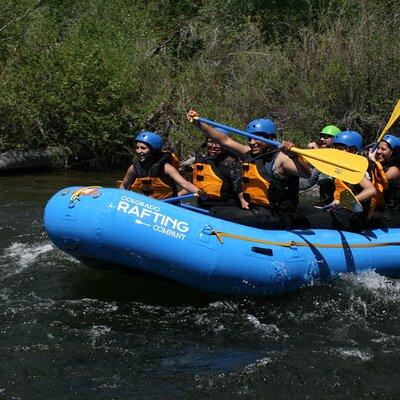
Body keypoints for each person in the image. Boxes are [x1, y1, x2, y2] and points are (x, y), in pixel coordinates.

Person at [186, 109, 311, 229]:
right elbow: (224, 140)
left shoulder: (281, 158)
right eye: (250, 138)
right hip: (257, 210)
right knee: (215, 210)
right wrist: (199, 122)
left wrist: (294, 155)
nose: (252, 142)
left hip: (278, 214)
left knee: (217, 214)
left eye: (257, 138)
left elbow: (305, 174)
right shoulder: (248, 153)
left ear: (269, 138)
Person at [119, 131, 203, 200]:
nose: (138, 151)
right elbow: (124, 185)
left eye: (143, 148)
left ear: (153, 151)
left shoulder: (166, 168)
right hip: (145, 205)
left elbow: (185, 184)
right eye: (137, 148)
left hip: (166, 204)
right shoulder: (133, 168)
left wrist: (201, 193)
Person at [322, 130, 376, 231]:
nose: (336, 151)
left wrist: (343, 202)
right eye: (335, 148)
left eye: (340, 149)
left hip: (352, 217)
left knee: (302, 221)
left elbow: (371, 190)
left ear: (352, 150)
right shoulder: (345, 165)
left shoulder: (356, 168)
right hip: (342, 212)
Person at [180, 128, 243, 210]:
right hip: (203, 206)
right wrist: (178, 195)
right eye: (210, 142)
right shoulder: (202, 161)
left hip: (225, 209)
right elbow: (194, 184)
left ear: (226, 144)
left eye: (218, 143)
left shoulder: (233, 164)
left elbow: (240, 191)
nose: (213, 146)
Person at [299, 124, 341, 205]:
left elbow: (330, 165)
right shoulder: (324, 152)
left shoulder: (339, 153)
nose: (321, 139)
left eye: (325, 136)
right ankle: (325, 202)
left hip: (339, 194)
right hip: (330, 192)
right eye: (321, 136)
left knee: (325, 181)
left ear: (335, 138)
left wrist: (316, 151)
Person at [367, 134, 400, 227]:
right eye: (378, 148)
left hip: (394, 212)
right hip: (382, 209)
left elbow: (382, 179)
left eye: (383, 149)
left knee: (367, 220)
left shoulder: (396, 169)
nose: (379, 151)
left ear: (392, 152)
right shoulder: (379, 165)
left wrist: (373, 161)